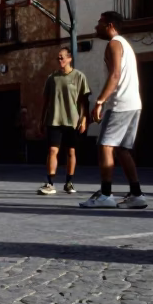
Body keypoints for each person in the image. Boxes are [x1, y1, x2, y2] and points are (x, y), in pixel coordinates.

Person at [80, 11, 147, 210]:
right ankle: (136, 195)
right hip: (134, 104)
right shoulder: (125, 44)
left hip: (120, 104)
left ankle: (106, 195)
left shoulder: (114, 44)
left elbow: (115, 74)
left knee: (105, 146)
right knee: (122, 149)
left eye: (99, 23)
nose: (95, 27)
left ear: (110, 25)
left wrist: (100, 101)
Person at [37, 47, 91, 195]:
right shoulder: (51, 78)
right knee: (52, 150)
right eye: (58, 58)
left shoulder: (79, 77)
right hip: (54, 120)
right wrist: (41, 121)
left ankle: (69, 182)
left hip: (72, 121)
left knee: (71, 151)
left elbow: (84, 102)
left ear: (69, 58)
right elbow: (46, 102)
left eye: (62, 57)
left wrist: (84, 119)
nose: (60, 60)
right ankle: (50, 183)